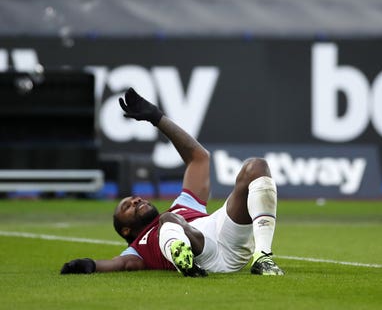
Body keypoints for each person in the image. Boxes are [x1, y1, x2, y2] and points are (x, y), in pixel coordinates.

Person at [60, 87, 284, 276]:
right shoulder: (137, 250)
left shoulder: (184, 205)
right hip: (205, 257)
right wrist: (88, 264)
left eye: (133, 199)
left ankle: (262, 257)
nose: (136, 200)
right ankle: (184, 259)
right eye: (127, 206)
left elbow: (199, 158)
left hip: (229, 240)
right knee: (167, 219)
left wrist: (158, 119)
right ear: (126, 230)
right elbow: (120, 264)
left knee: (256, 167)